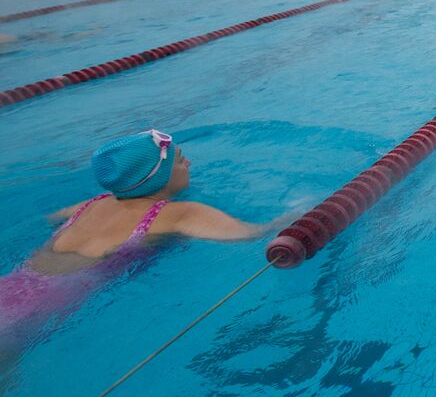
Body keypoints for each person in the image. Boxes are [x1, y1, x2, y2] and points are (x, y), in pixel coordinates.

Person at [1, 129, 265, 333]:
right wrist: (299, 216)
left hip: (12, 285)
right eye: (182, 160)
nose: (190, 162)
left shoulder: (92, 204)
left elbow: (46, 221)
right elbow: (250, 234)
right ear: (159, 176)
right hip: (39, 310)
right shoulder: (180, 213)